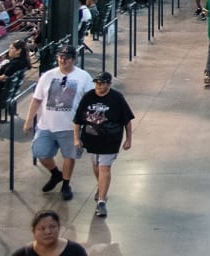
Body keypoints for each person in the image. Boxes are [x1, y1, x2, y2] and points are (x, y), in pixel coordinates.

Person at [25, 45, 93, 201]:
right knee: (40, 152)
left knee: (70, 156)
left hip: (70, 127)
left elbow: (90, 100)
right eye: (60, 57)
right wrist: (29, 120)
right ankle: (56, 174)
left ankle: (66, 184)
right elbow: (36, 100)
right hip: (46, 125)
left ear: (73, 59)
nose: (63, 60)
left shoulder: (83, 77)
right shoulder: (47, 76)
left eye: (67, 58)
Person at [72, 71, 135, 217]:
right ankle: (101, 187)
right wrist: (76, 138)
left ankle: (101, 201)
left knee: (104, 167)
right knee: (96, 166)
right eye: (97, 83)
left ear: (108, 84)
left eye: (101, 83)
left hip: (110, 140)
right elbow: (77, 120)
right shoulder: (88, 97)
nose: (98, 86)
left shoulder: (117, 98)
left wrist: (128, 139)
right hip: (92, 139)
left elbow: (127, 120)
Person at [13, 209, 88, 256]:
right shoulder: (22, 254)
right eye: (42, 228)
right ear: (33, 231)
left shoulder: (75, 251)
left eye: (52, 227)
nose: (48, 232)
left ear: (59, 228)